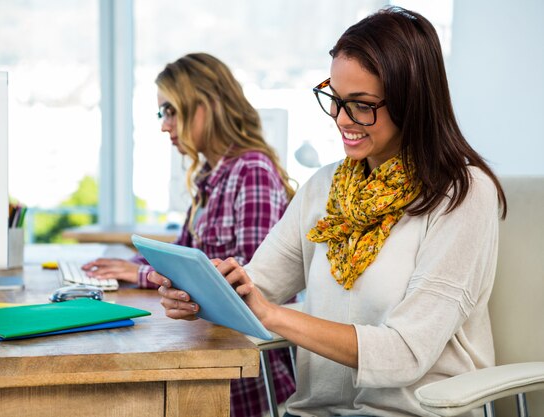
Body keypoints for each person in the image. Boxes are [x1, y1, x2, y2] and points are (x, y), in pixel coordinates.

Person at [149, 7, 507, 417]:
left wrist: (272, 315)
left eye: (361, 104)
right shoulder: (324, 187)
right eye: (334, 99)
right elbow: (258, 287)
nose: (341, 119)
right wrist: (203, 295)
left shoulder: (462, 195)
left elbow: (407, 352)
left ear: (413, 102)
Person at [82, 53, 297, 417]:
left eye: (171, 110)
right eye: (161, 113)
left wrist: (138, 274)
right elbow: (186, 253)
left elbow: (249, 283)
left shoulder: (251, 171)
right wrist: (130, 265)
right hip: (216, 355)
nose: (165, 125)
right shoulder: (211, 176)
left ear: (206, 108)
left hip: (249, 378)